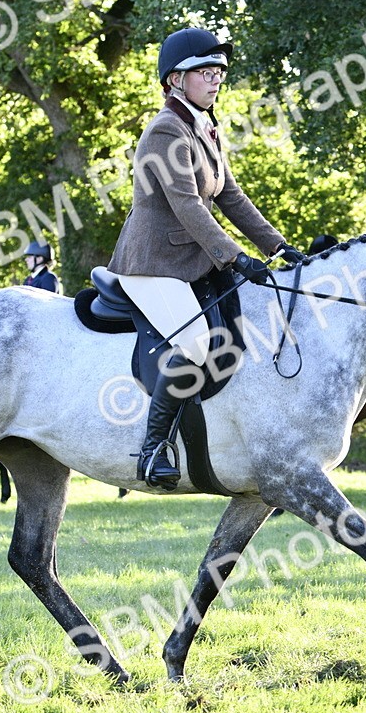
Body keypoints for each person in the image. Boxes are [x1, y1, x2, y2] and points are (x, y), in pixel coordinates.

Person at [106, 27, 305, 490]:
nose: (216, 79)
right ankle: (154, 448)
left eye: (220, 71)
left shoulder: (204, 125)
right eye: (205, 71)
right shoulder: (164, 131)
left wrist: (275, 245)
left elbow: (230, 195)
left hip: (190, 263)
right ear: (175, 80)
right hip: (153, 263)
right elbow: (189, 205)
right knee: (195, 344)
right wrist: (236, 257)